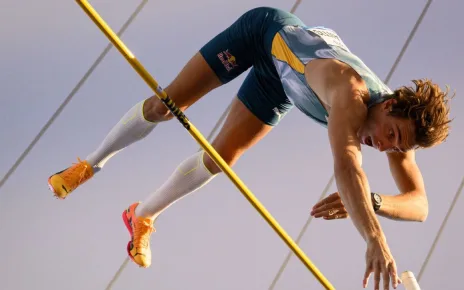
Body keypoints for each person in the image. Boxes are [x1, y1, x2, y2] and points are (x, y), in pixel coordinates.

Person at [47, 7, 452, 290]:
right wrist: (374, 239)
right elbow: (348, 167)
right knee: (167, 105)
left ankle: (141, 216)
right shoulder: (351, 93)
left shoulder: (397, 129)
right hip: (264, 35)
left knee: (219, 159)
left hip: (281, 84)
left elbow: (420, 206)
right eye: (392, 136)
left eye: (395, 146)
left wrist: (374, 202)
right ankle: (89, 165)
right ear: (391, 104)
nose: (385, 147)